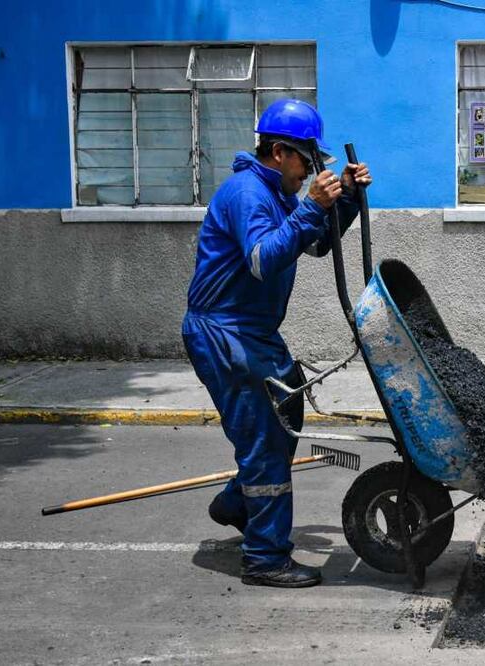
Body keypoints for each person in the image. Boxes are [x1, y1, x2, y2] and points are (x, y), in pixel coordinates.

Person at [182, 99, 371, 587]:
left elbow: (314, 242)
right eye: (309, 161)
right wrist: (313, 204)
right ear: (283, 152)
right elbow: (265, 258)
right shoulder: (248, 193)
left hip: (252, 331)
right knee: (267, 439)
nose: (311, 171)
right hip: (224, 332)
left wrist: (344, 199)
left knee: (286, 413)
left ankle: (235, 503)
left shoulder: (277, 193)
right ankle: (265, 558)